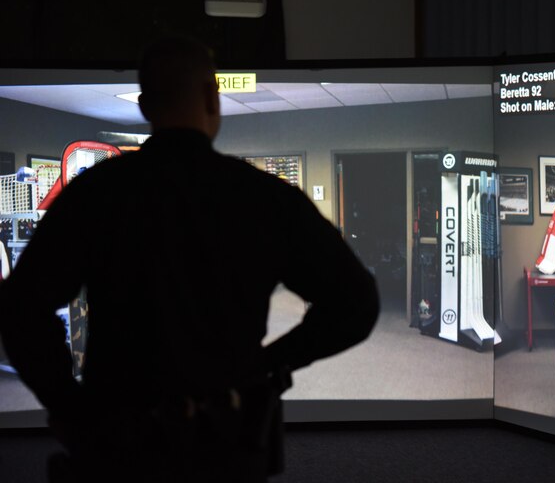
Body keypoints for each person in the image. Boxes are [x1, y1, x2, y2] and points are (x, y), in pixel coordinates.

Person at [0, 36, 379, 482]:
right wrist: (269, 364)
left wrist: (69, 403)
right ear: (211, 98)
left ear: (145, 105)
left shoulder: (95, 194)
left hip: (116, 446)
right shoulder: (265, 199)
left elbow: (20, 308)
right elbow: (357, 303)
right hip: (228, 444)